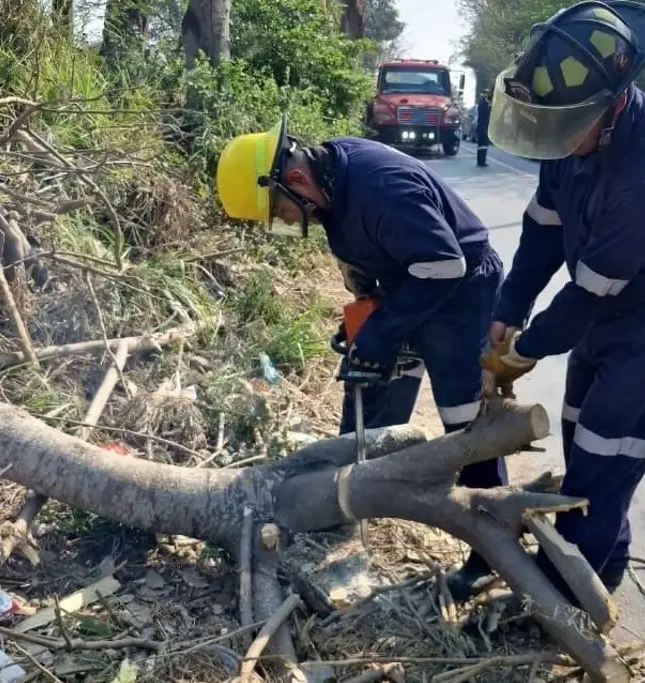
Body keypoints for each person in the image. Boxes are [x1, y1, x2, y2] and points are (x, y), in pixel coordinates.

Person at [475, 0, 645, 604]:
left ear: (611, 105)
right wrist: (510, 308)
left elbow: (585, 295)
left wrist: (524, 351)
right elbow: (543, 232)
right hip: (607, 308)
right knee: (581, 434)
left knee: (606, 455)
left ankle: (564, 601)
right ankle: (600, 569)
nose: (555, 141)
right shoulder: (571, 139)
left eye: (567, 130)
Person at [215, 115, 507, 580]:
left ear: (292, 179)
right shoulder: (327, 184)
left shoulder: (381, 189)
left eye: (281, 212)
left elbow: (445, 264)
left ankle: (492, 548)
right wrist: (365, 318)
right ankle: (347, 505)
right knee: (372, 387)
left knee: (464, 421)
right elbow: (363, 261)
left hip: (460, 290)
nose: (287, 222)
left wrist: (387, 327)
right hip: (406, 283)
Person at [475, 90, 491, 167]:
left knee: (481, 145)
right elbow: (487, 114)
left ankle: (480, 161)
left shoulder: (481, 103)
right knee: (484, 145)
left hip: (481, 127)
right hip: (484, 128)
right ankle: (482, 161)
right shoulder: (484, 104)